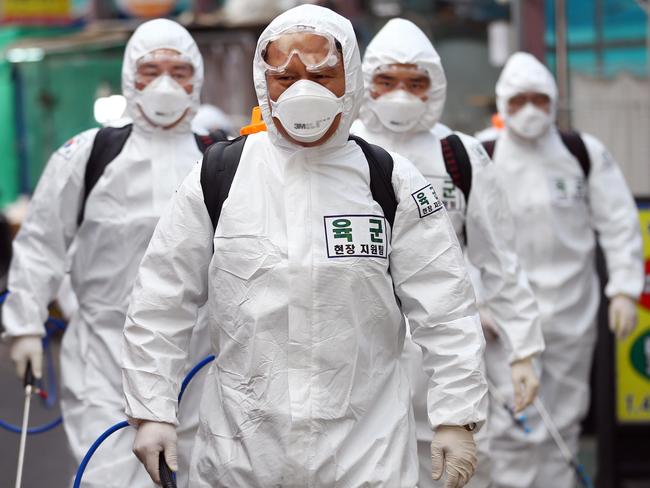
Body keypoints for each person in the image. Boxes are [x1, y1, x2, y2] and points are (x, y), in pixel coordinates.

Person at [121, 5, 488, 488]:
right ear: (263, 82)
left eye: (321, 74)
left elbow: (446, 308)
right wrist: (152, 410)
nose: (303, 91)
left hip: (366, 453)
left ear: (350, 78)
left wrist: (456, 416)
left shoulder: (391, 180)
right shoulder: (219, 176)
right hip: (243, 454)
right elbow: (160, 300)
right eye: (285, 77)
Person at [3, 19, 215, 488]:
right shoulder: (88, 154)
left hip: (198, 356)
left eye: (178, 71)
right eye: (150, 70)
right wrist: (23, 325)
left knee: (196, 472)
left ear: (196, 78)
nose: (164, 84)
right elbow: (42, 242)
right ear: (128, 77)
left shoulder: (219, 159)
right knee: (109, 474)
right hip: (105, 352)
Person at [351, 18, 544, 488]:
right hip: (355, 357)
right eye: (386, 80)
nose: (401, 93)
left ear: (435, 87)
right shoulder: (340, 150)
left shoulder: (460, 155)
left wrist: (523, 350)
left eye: (416, 83)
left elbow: (500, 261)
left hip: (444, 356)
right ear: (364, 83)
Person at [482, 52, 643, 488]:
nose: (530, 110)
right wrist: (475, 303)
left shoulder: (582, 153)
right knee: (513, 421)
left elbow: (618, 221)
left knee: (566, 420)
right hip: (506, 320)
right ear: (502, 103)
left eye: (539, 99)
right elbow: (457, 237)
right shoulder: (480, 155)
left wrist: (624, 289)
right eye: (518, 101)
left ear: (554, 101)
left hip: (573, 313)